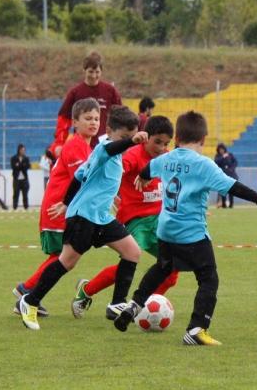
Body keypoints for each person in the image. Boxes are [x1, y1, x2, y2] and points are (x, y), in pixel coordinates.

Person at [111, 111, 257, 344]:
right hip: (191, 233)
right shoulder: (204, 165)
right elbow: (235, 188)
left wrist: (142, 177)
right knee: (208, 278)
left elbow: (148, 168)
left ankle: (134, 305)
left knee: (162, 267)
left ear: (177, 138)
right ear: (203, 140)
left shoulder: (168, 158)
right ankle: (196, 329)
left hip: (165, 230)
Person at [14, 106, 148, 331]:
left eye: (130, 136)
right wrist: (132, 141)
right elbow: (116, 147)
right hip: (84, 216)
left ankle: (117, 303)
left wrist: (66, 202)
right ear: (109, 131)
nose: (127, 141)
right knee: (66, 261)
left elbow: (78, 177)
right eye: (124, 137)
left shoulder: (102, 155)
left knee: (132, 252)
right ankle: (29, 301)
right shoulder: (105, 148)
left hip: (101, 217)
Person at [70, 115, 179, 319]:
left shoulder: (167, 158)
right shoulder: (132, 156)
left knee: (172, 269)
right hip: (135, 221)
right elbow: (113, 174)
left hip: (159, 221)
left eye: (166, 144)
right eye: (157, 142)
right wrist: (114, 195)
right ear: (145, 138)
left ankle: (145, 308)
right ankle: (86, 290)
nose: (161, 148)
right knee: (127, 264)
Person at [13, 99, 99, 320]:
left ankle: (29, 292)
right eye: (88, 118)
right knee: (63, 257)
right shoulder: (76, 145)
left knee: (63, 257)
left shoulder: (85, 146)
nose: (93, 122)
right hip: (59, 209)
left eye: (97, 118)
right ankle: (27, 291)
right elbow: (81, 180)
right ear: (75, 122)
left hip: (64, 208)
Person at [50, 50, 122, 157]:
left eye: (97, 72)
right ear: (84, 70)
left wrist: (121, 141)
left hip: (104, 145)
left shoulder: (110, 91)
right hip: (81, 146)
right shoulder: (75, 92)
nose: (94, 76)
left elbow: (121, 117)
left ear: (101, 71)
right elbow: (63, 120)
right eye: (90, 72)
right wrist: (59, 143)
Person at [214, 143, 238, 208]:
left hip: (231, 175)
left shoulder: (230, 155)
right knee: (223, 190)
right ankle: (223, 204)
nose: (221, 150)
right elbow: (216, 163)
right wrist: (222, 157)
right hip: (222, 175)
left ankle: (231, 204)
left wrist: (232, 169)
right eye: (220, 149)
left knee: (231, 190)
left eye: (222, 149)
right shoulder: (217, 156)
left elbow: (235, 162)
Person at [10, 143, 31, 210]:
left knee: (25, 194)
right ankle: (15, 207)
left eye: (24, 150)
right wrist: (22, 165)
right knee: (16, 194)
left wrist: (19, 165)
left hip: (24, 179)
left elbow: (27, 167)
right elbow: (13, 167)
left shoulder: (26, 158)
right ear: (19, 150)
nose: (23, 151)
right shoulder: (13, 158)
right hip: (16, 179)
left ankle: (26, 207)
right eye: (22, 150)